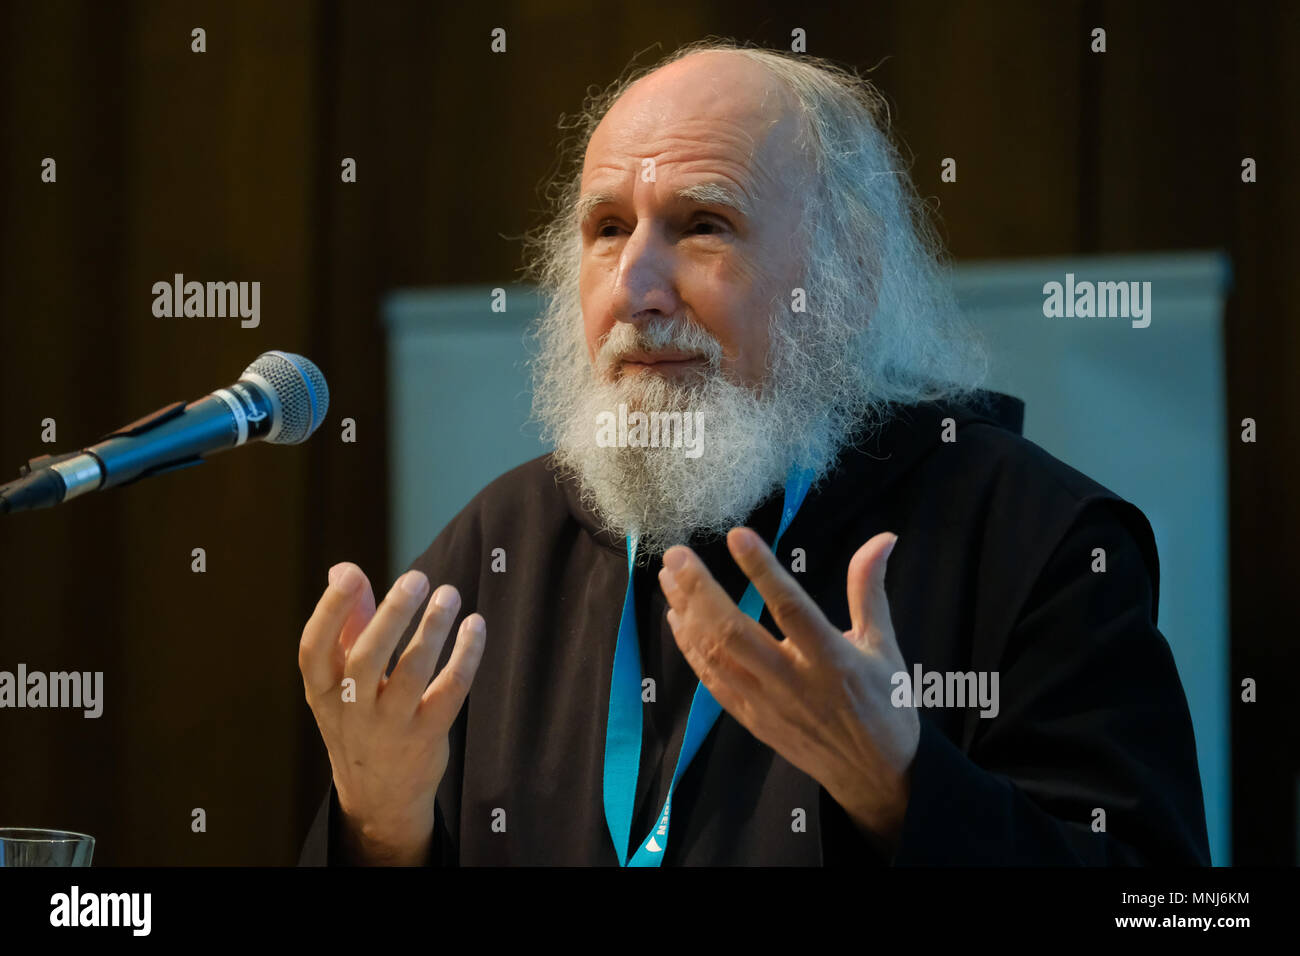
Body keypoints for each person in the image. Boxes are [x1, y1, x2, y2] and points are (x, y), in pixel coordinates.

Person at [297, 41, 1210, 866]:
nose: (636, 288)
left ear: (845, 271)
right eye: (607, 229)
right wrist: (381, 829)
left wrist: (907, 790)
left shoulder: (1036, 546)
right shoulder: (500, 545)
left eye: (702, 225)